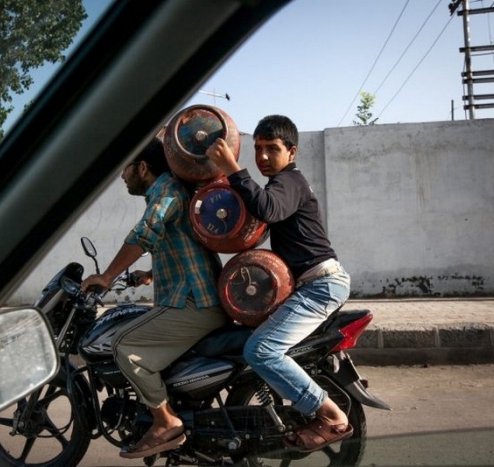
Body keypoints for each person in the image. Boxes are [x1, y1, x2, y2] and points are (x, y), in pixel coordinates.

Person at [205, 114, 353, 453]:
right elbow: (252, 231)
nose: (263, 157)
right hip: (313, 284)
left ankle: (331, 416)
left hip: (321, 286)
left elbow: (267, 209)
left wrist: (233, 168)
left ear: (292, 152)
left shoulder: (289, 182)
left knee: (261, 350)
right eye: (257, 149)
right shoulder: (282, 185)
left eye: (272, 148)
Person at [81, 138, 229, 459]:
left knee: (124, 346)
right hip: (194, 298)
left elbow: (146, 232)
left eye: (126, 169)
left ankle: (165, 422)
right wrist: (147, 275)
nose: (122, 176)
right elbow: (177, 244)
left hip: (196, 303)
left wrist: (106, 276)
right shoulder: (172, 191)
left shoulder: (166, 192)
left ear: (143, 168)